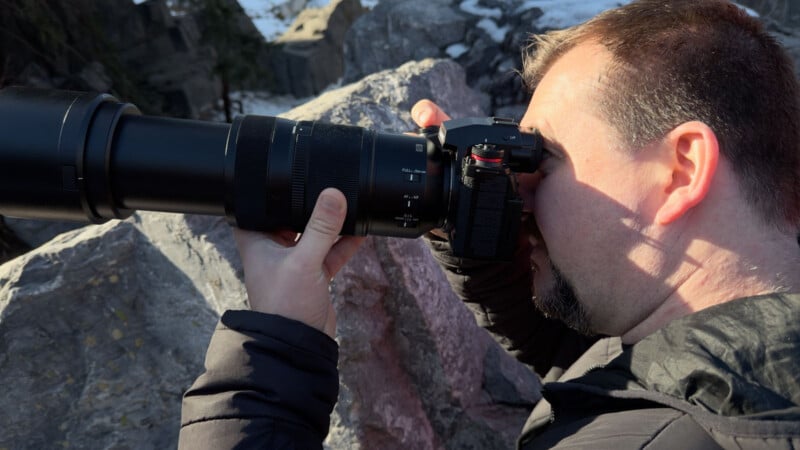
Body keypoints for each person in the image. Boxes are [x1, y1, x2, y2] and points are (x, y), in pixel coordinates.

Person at [178, 0, 800, 448]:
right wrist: (478, 231)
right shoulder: (748, 365)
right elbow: (604, 362)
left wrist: (275, 351)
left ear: (680, 170)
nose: (521, 195)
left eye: (542, 161)